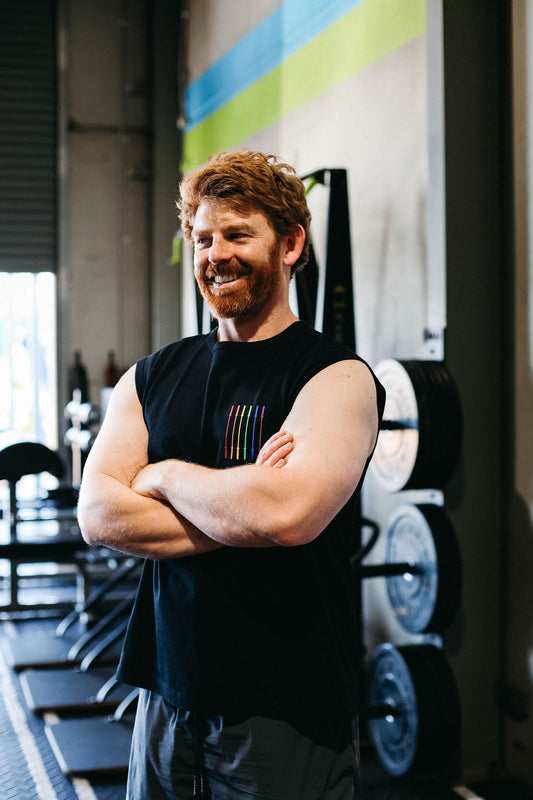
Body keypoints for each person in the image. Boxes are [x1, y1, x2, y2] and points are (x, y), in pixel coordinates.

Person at [77, 150, 385, 800]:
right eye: (202, 238)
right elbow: (99, 513)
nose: (215, 254)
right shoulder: (152, 375)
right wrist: (242, 504)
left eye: (237, 234)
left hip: (287, 703)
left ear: (291, 243)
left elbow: (287, 513)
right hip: (165, 693)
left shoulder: (335, 377)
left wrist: (158, 475)